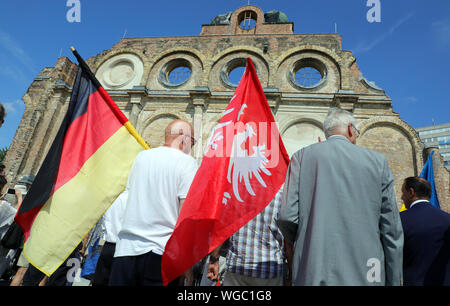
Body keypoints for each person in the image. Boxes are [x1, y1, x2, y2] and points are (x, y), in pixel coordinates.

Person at [278, 107, 404, 286]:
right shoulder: (378, 162)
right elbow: (391, 229)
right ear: (351, 129)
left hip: (313, 269)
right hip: (368, 271)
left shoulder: (301, 157)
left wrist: (305, 240)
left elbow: (286, 216)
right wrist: (394, 280)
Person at [109, 119, 198, 286]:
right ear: (182, 138)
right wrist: (186, 264)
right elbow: (185, 217)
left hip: (125, 250)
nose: (191, 146)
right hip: (160, 253)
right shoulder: (187, 163)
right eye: (192, 141)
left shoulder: (141, 157)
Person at [207, 190, 287, 286]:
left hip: (237, 267)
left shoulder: (237, 192)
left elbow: (222, 228)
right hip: (269, 270)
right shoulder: (282, 196)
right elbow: (287, 237)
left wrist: (214, 259)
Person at [400, 176, 450, 286]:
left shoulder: (400, 220)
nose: (401, 197)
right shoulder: (447, 219)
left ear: (411, 192)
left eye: (403, 192)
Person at [91, 189, 128, 286]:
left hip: (108, 245)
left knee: (100, 280)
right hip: (123, 247)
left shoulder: (112, 198)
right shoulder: (132, 198)